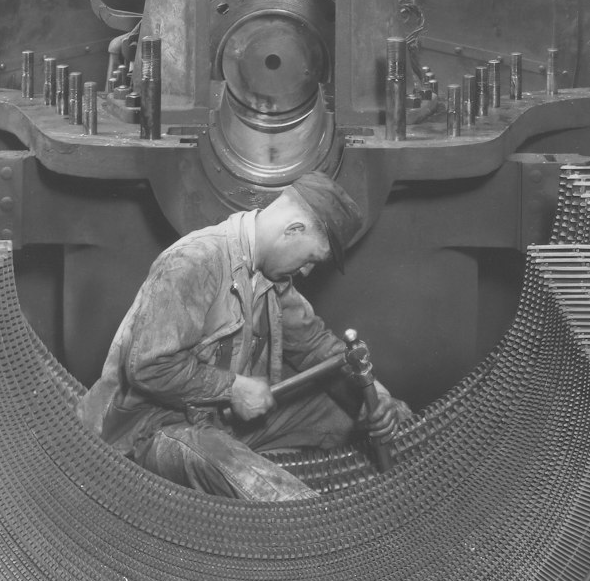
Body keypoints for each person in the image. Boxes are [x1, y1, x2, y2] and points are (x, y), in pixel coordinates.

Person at [78, 172, 412, 502]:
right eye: (311, 258)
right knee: (233, 466)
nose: (307, 271)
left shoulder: (272, 278)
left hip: (222, 422)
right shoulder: (194, 261)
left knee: (361, 418)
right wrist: (233, 388)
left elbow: (315, 348)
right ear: (294, 230)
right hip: (152, 432)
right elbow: (149, 367)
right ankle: (317, 529)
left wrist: (374, 397)